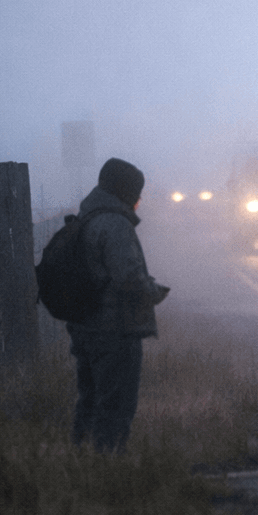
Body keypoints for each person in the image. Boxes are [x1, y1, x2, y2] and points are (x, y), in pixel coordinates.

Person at [67, 157, 170, 453]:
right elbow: (128, 277)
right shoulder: (115, 224)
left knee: (89, 399)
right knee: (116, 404)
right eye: (136, 193)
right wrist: (154, 291)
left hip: (86, 326)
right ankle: (108, 465)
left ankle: (82, 460)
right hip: (115, 329)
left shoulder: (88, 217)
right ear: (124, 192)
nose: (139, 200)